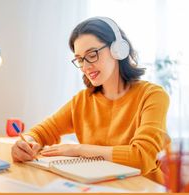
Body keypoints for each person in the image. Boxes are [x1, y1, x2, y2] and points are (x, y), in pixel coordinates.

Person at [12, 17, 170, 184]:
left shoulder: (152, 95)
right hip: (100, 190)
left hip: (144, 191)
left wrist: (78, 149)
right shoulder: (82, 101)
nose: (85, 67)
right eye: (80, 59)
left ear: (118, 50)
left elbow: (142, 157)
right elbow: (42, 132)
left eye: (92, 54)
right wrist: (26, 143)